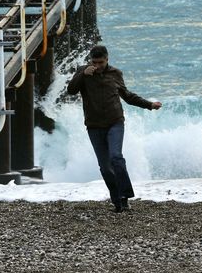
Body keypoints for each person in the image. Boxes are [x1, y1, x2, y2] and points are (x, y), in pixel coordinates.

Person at [66, 45, 162, 213]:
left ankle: (125, 196)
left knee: (116, 157)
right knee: (105, 167)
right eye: (94, 62)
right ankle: (117, 200)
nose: (97, 66)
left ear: (107, 59)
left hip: (115, 122)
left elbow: (128, 96)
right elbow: (71, 90)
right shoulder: (84, 72)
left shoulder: (115, 73)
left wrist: (149, 105)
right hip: (94, 126)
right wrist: (82, 75)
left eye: (100, 62)